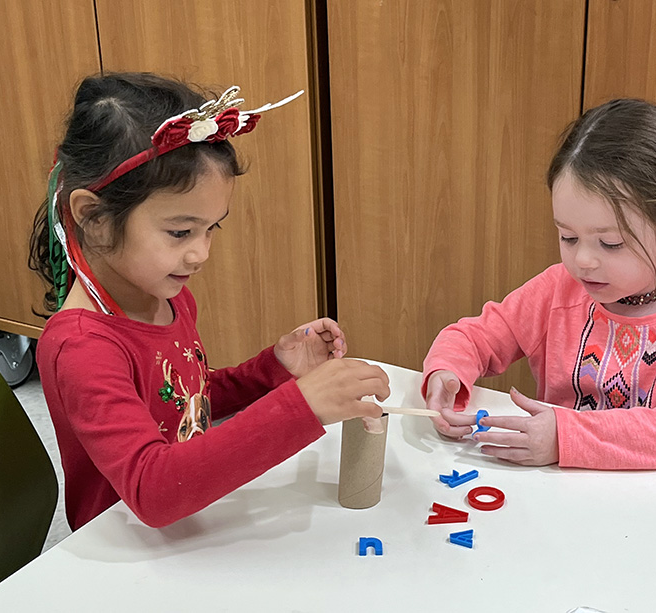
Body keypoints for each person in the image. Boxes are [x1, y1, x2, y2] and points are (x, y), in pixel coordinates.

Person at [29, 73, 389, 530]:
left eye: (211, 228)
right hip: (131, 551)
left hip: (192, 524)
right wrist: (302, 407)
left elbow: (181, 404)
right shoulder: (81, 346)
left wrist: (273, 371)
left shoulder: (166, 297)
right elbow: (152, 490)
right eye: (180, 232)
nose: (201, 253)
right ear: (94, 217)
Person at [422, 98, 656, 470]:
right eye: (568, 237)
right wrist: (448, 370)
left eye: (610, 243)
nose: (582, 261)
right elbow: (476, 336)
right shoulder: (559, 289)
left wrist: (566, 438)